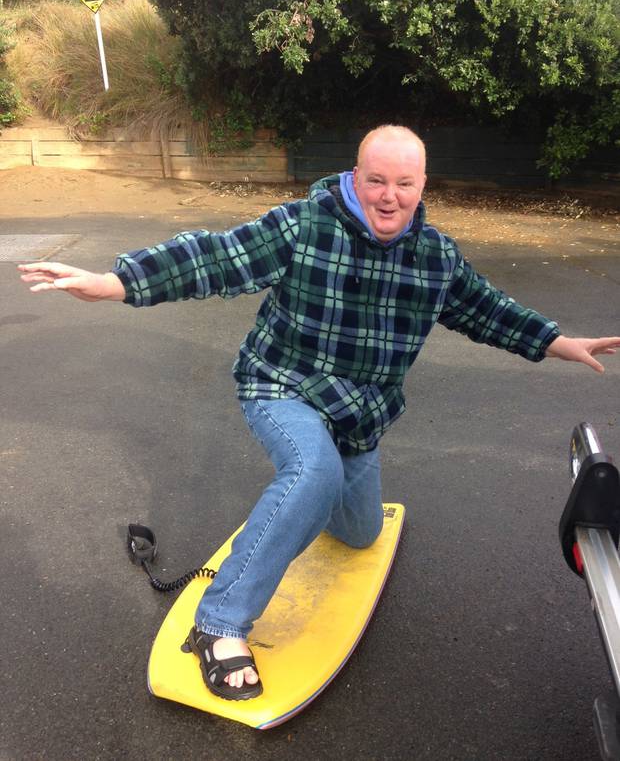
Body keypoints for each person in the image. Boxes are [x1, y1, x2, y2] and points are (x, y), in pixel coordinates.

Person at [19, 125, 620, 702]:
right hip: (282, 386)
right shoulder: (306, 226)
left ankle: (299, 507)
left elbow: (489, 310)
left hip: (359, 418)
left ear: (423, 186)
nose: (389, 196)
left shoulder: (435, 257)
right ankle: (220, 622)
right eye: (376, 180)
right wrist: (117, 281)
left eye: (404, 184)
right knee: (314, 472)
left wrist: (560, 343)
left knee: (358, 534)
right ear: (355, 177)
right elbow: (215, 257)